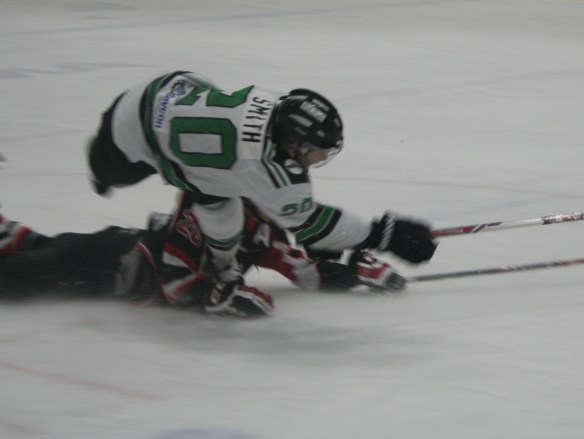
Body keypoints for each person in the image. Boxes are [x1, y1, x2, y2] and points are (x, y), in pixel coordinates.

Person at [87, 71, 436, 315]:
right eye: (317, 151)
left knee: (217, 194)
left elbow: (282, 216)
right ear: (293, 143)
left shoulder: (273, 110)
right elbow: (314, 224)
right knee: (108, 176)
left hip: (169, 89)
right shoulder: (264, 168)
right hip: (132, 132)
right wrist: (383, 234)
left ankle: (220, 263)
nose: (320, 159)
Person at [0, 197, 408, 311]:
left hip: (111, 262)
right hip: (110, 259)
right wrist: (225, 296)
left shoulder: (262, 231)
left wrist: (354, 272)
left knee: (39, 248)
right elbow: (177, 285)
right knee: (22, 274)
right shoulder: (205, 207)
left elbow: (305, 272)